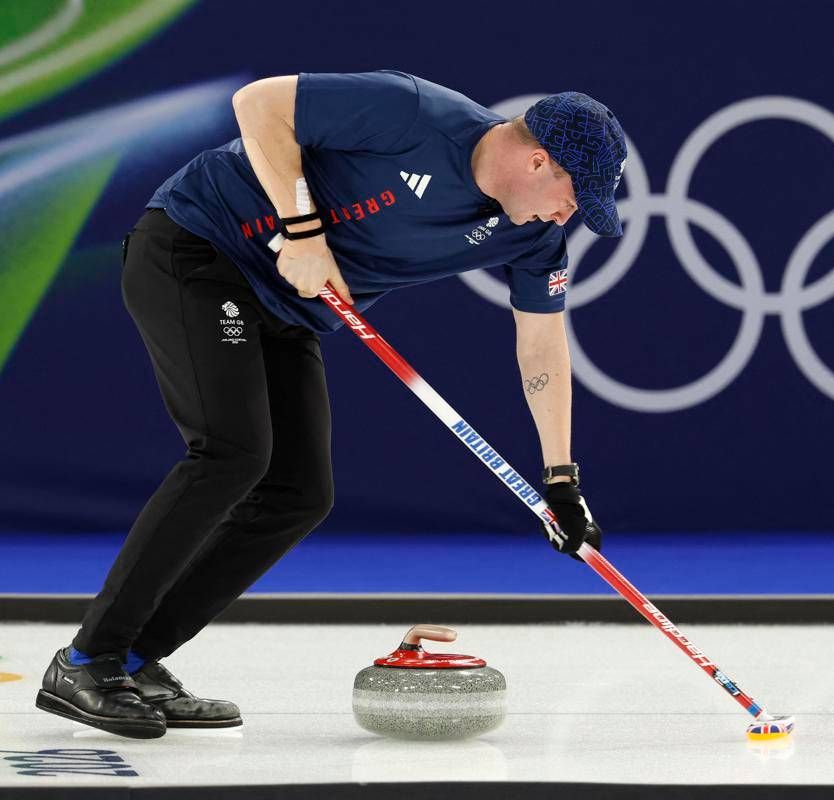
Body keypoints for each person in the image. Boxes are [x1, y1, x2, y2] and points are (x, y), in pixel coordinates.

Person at [35, 71, 625, 739]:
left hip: (293, 305)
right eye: (573, 198)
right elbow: (258, 104)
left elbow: (542, 348)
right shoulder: (415, 113)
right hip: (201, 247)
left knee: (299, 493)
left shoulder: (533, 239)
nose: (566, 217)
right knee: (232, 453)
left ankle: (134, 660)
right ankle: (86, 661)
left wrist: (561, 481)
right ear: (538, 161)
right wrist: (305, 231)